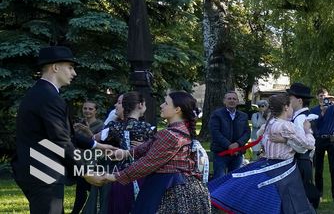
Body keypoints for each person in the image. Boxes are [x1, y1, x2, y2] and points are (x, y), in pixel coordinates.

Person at [86, 92, 210, 214]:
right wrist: (125, 153)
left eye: (166, 103)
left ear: (177, 109)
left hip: (170, 186)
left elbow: (148, 162)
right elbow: (147, 146)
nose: (161, 106)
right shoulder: (177, 130)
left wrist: (113, 176)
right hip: (179, 184)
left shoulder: (171, 135)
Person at [15, 46, 101, 214]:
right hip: (43, 172)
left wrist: (96, 145)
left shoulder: (41, 93)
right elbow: (60, 140)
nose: (74, 73)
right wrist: (85, 171)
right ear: (55, 67)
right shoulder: (49, 97)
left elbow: (63, 134)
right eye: (70, 67)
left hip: (37, 170)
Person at [208, 94, 315, 213]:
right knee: (289, 198)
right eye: (290, 106)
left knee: (275, 196)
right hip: (283, 167)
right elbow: (308, 144)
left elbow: (261, 136)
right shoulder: (286, 126)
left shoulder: (270, 123)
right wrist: (307, 130)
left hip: (270, 164)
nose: (292, 109)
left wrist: (285, 140)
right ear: (285, 107)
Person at [100, 92, 156, 214]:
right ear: (140, 105)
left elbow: (96, 138)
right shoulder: (147, 128)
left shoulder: (115, 127)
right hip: (141, 175)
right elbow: (155, 151)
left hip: (120, 176)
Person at [310, 89, 334, 204]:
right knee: (319, 170)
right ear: (317, 97)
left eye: (325, 96)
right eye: (321, 96)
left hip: (332, 140)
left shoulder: (333, 107)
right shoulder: (314, 110)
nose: (323, 98)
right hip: (320, 140)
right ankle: (319, 194)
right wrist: (321, 113)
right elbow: (314, 125)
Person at [287, 82, 321, 208]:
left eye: (290, 98)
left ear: (299, 100)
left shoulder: (301, 118)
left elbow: (302, 143)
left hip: (301, 158)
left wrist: (285, 140)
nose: (288, 101)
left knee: (302, 189)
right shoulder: (300, 116)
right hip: (303, 159)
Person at [209, 91, 251, 180]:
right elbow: (215, 132)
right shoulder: (217, 114)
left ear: (237, 101)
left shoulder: (243, 116)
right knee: (219, 179)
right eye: (229, 98)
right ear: (224, 101)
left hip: (237, 153)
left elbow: (247, 132)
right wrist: (229, 145)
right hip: (221, 152)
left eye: (234, 99)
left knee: (234, 180)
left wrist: (238, 144)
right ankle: (216, 194)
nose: (232, 101)